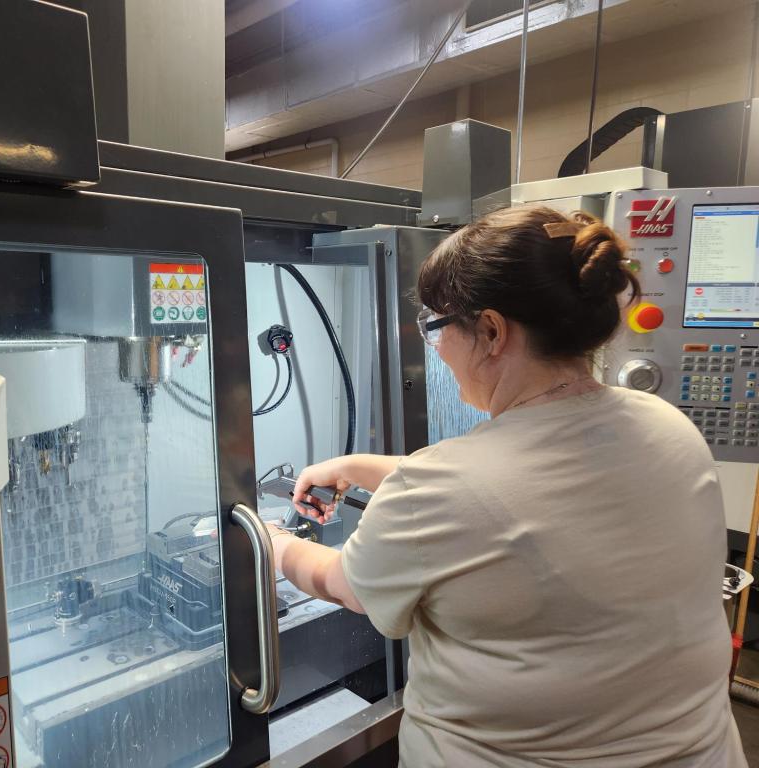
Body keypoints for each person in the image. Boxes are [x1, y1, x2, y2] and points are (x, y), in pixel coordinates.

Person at [270, 206, 747, 768]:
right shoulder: (669, 426)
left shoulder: (443, 490)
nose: (436, 348)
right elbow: (520, 489)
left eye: (436, 327)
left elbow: (343, 583)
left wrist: (270, 541)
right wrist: (359, 465)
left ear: (493, 332)